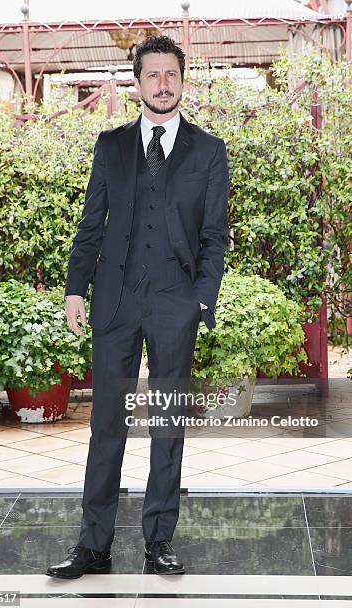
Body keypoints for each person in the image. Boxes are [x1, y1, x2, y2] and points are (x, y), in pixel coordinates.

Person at [46, 35, 229, 579]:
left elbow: (215, 234)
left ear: (182, 80)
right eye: (153, 75)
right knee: (107, 425)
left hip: (176, 302)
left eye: (172, 74)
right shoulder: (112, 146)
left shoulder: (208, 151)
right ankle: (93, 545)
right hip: (116, 302)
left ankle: (159, 541)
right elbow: (91, 224)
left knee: (167, 424)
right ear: (138, 82)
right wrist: (76, 288)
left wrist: (201, 296)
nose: (163, 84)